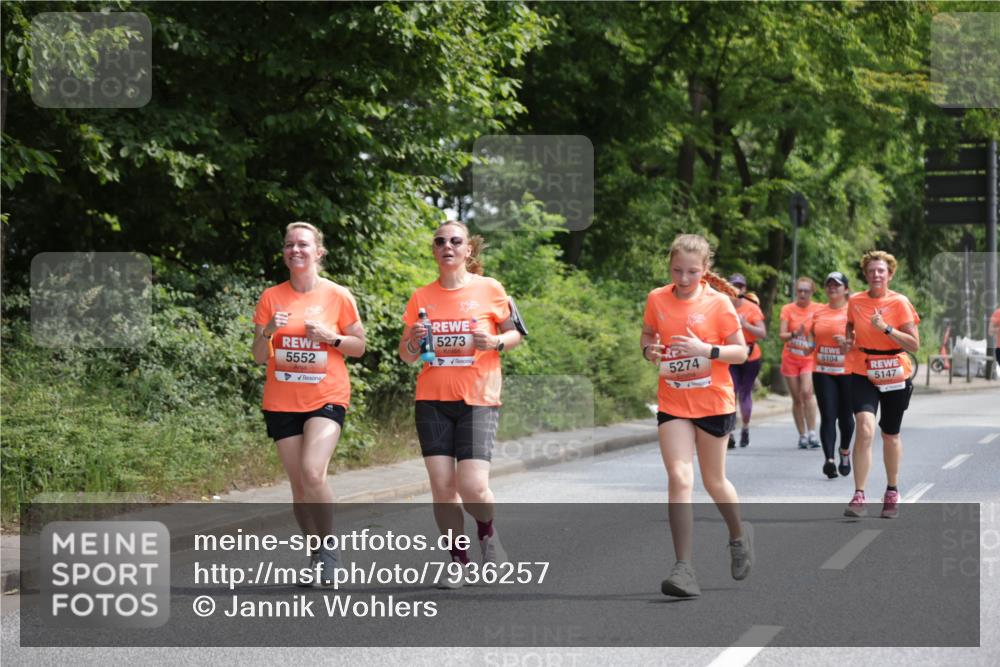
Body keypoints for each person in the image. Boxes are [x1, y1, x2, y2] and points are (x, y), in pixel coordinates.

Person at [399, 220, 524, 588]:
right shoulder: (421, 296)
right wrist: (413, 341)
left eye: (456, 241)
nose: (447, 246)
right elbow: (406, 356)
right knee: (442, 487)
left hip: (478, 398)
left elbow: (516, 333)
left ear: (469, 250)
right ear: (434, 250)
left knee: (472, 486)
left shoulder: (490, 289)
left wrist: (496, 342)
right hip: (432, 400)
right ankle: (459, 560)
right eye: (440, 241)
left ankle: (487, 533)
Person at [253, 222, 366, 584]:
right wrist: (268, 331)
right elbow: (258, 356)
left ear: (319, 252)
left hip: (326, 397)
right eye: (289, 245)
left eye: (303, 244)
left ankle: (329, 549)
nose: (295, 250)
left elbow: (359, 347)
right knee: (299, 485)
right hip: (282, 400)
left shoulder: (338, 295)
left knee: (313, 470)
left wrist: (332, 338)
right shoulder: (271, 296)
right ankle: (315, 552)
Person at [641, 234, 753, 598]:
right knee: (679, 476)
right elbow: (646, 334)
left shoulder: (719, 303)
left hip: (713, 403)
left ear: (705, 270)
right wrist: (649, 349)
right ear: (669, 266)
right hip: (673, 402)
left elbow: (741, 351)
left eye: (692, 271)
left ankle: (738, 535)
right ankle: (684, 568)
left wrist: (707, 349)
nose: (684, 278)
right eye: (677, 270)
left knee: (714, 481)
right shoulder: (657, 298)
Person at [842, 251, 920, 519]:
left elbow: (914, 344)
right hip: (863, 369)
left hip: (894, 371)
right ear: (865, 274)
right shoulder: (855, 301)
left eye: (881, 271)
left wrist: (886, 328)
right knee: (864, 428)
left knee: (890, 434)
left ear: (890, 274)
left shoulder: (900, 303)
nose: (876, 275)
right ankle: (859, 495)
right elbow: (850, 327)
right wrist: (848, 340)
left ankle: (891, 490)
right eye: (872, 270)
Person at [810, 272, 856, 479]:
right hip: (822, 371)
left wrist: (848, 344)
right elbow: (813, 338)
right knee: (828, 415)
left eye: (836, 285)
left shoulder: (853, 311)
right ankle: (829, 460)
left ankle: (844, 451)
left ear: (845, 289)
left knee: (846, 418)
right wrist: (807, 349)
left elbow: (863, 340)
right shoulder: (819, 312)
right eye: (828, 284)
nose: (832, 288)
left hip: (848, 371)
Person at [779, 277, 822, 449]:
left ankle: (812, 432)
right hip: (790, 358)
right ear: (796, 291)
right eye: (799, 290)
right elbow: (782, 335)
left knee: (807, 392)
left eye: (806, 290)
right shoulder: (788, 309)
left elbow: (823, 329)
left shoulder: (818, 309)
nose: (802, 294)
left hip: (809, 358)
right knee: (797, 399)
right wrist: (795, 334)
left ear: (812, 292)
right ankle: (802, 435)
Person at [726, 274, 767, 449]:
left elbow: (762, 333)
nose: (737, 289)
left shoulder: (751, 308)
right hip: (730, 354)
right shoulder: (722, 306)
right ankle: (729, 432)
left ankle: (746, 428)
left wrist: (745, 325)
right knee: (730, 391)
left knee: (745, 393)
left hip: (751, 356)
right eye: (734, 286)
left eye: (740, 286)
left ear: (744, 289)